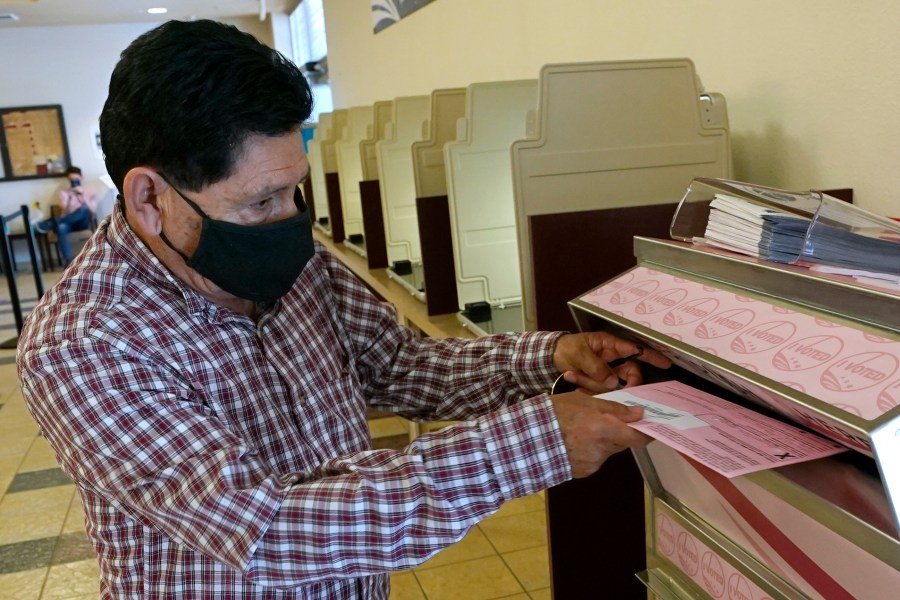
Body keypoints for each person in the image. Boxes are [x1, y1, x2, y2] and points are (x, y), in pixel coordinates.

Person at [16, 20, 671, 599]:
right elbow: (265, 530)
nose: (290, 222)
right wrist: (534, 443)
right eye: (261, 201)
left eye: (294, 191)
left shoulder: (295, 261)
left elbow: (398, 365)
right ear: (149, 197)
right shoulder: (87, 345)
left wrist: (550, 357)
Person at [34, 165, 98, 265]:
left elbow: (93, 211)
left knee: (84, 209)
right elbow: (64, 212)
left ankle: (50, 223)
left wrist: (83, 196)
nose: (74, 181)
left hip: (82, 224)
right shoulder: (64, 193)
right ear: (68, 180)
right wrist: (70, 197)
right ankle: (68, 262)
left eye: (76, 179)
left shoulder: (89, 193)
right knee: (61, 227)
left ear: (81, 178)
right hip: (68, 222)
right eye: (71, 180)